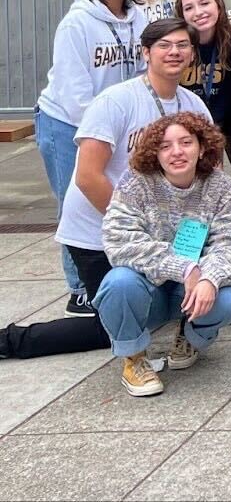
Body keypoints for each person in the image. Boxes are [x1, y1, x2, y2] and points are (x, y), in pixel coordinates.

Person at [0, 19, 208, 360]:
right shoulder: (115, 101)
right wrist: (136, 226)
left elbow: (207, 178)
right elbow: (87, 176)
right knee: (110, 325)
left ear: (193, 54)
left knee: (186, 299)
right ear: (145, 53)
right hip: (98, 232)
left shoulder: (194, 106)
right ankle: (9, 341)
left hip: (158, 234)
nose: (174, 52)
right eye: (164, 45)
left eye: (183, 45)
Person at [96, 113, 231, 396]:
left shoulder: (219, 186)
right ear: (155, 153)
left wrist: (209, 277)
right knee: (117, 282)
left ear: (202, 148)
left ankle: (190, 335)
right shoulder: (136, 183)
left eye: (186, 142)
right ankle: (133, 358)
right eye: (165, 146)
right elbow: (118, 240)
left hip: (193, 291)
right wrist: (183, 268)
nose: (177, 152)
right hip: (148, 290)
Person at [34, 0, 146, 311]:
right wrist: (102, 132)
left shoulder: (139, 18)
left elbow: (143, 73)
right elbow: (74, 90)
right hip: (68, 123)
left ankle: (111, 274)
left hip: (115, 125)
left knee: (114, 195)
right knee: (75, 201)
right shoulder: (76, 23)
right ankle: (79, 287)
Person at [176, 0, 231, 284]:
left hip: (230, 123)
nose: (198, 12)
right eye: (189, 7)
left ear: (218, 5)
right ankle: (189, 256)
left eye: (204, 4)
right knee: (194, 192)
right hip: (192, 128)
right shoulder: (179, 44)